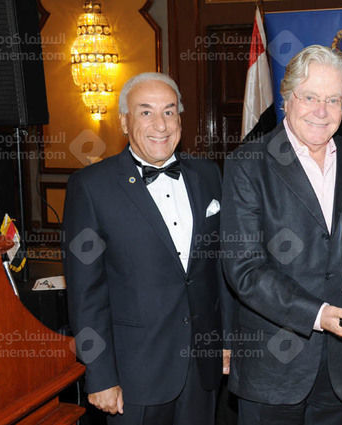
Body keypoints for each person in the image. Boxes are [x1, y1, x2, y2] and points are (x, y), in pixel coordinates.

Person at [220, 45, 342, 425]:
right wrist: (318, 315)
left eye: (333, 100)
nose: (322, 110)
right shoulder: (247, 164)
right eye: (311, 97)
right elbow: (244, 269)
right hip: (272, 371)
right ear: (287, 99)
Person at [63, 72, 232, 425]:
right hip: (133, 376)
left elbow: (221, 270)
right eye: (146, 112)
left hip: (202, 368)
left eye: (169, 111)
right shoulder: (91, 187)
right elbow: (85, 294)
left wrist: (226, 341)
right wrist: (99, 375)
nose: (161, 124)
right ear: (124, 122)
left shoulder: (208, 175)